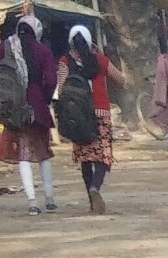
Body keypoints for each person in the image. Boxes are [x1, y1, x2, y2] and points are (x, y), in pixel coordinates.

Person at [0, 13, 60, 213]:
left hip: (13, 108)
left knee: (23, 155)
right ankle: (49, 199)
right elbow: (50, 81)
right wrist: (45, 100)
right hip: (36, 107)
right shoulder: (43, 51)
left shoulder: (4, 48)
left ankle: (32, 202)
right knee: (43, 153)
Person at [58, 25, 121, 215]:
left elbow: (60, 89)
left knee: (85, 158)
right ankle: (95, 187)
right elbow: (121, 80)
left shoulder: (65, 61)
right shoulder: (100, 60)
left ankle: (91, 202)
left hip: (78, 116)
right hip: (101, 113)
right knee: (103, 156)